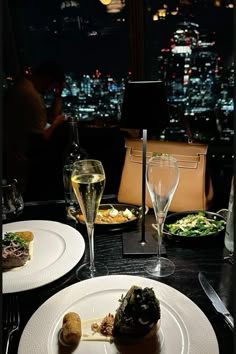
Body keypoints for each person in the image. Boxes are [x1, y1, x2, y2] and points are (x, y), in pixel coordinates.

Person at [3, 61, 69, 200]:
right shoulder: (30, 96)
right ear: (47, 79)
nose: (51, 90)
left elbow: (49, 117)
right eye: (53, 87)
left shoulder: (25, 89)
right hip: (22, 160)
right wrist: (57, 123)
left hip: (16, 156)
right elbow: (40, 139)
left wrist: (58, 95)